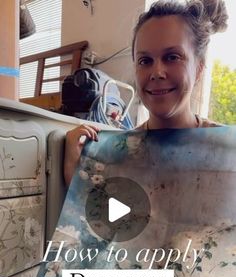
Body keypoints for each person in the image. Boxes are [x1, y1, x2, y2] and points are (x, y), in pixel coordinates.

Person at [64, 0, 228, 186]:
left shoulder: (226, 151)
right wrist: (72, 164)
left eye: (172, 57)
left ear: (198, 69)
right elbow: (101, 212)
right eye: (145, 61)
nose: (157, 72)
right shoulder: (119, 154)